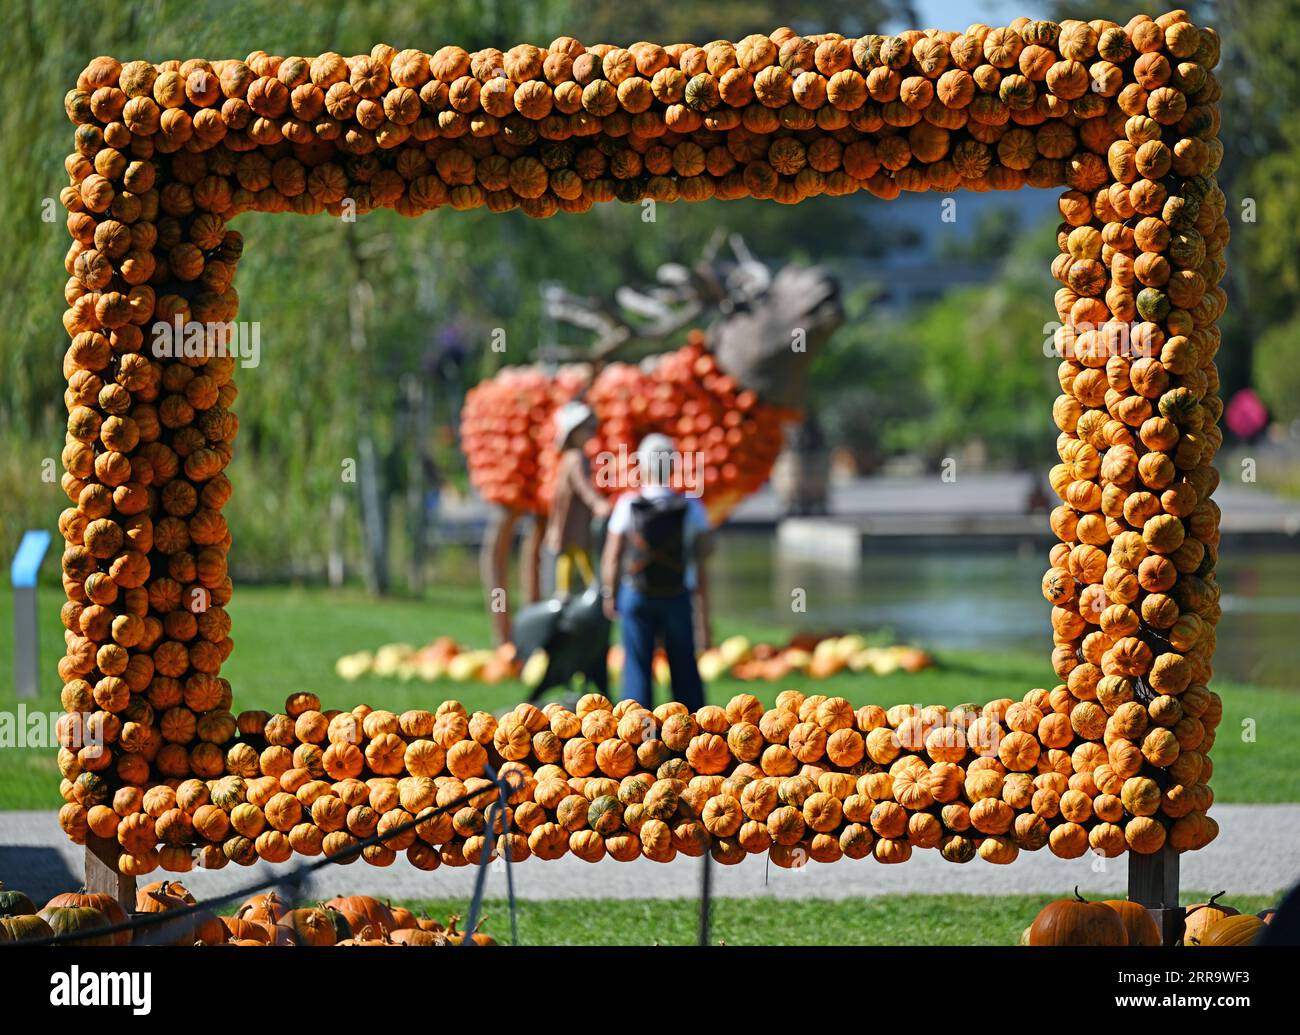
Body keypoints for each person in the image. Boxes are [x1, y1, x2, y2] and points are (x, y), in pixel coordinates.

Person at [600, 433, 711, 711]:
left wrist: (609, 594)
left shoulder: (628, 504)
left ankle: (637, 733)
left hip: (637, 593)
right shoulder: (691, 505)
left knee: (637, 665)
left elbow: (612, 556)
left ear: (642, 467)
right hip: (676, 592)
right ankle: (693, 730)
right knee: (683, 663)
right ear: (673, 465)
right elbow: (706, 550)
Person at [544, 401, 609, 596]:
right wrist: (597, 503)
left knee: (571, 556)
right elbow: (582, 486)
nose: (590, 432)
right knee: (579, 555)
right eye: (585, 428)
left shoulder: (574, 457)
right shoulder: (575, 458)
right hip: (574, 521)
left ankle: (567, 594)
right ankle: (593, 593)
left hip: (574, 520)